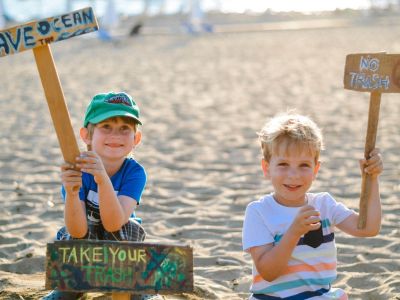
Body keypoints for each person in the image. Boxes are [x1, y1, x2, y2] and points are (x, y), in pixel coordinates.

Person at [242, 112, 383, 299]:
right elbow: (268, 272)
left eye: (304, 165)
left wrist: (371, 178)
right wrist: (293, 232)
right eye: (283, 164)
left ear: (316, 169)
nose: (294, 175)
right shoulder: (259, 212)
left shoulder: (324, 204)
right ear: (266, 168)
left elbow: (368, 228)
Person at [43, 92, 161, 300]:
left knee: (131, 229)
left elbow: (114, 223)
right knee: (67, 236)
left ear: (136, 139)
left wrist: (102, 178)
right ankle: (71, 288)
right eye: (106, 127)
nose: (115, 135)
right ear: (87, 136)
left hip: (119, 245)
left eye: (124, 129)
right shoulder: (76, 169)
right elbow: (77, 230)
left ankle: (136, 290)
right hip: (84, 242)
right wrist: (71, 193)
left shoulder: (135, 173)